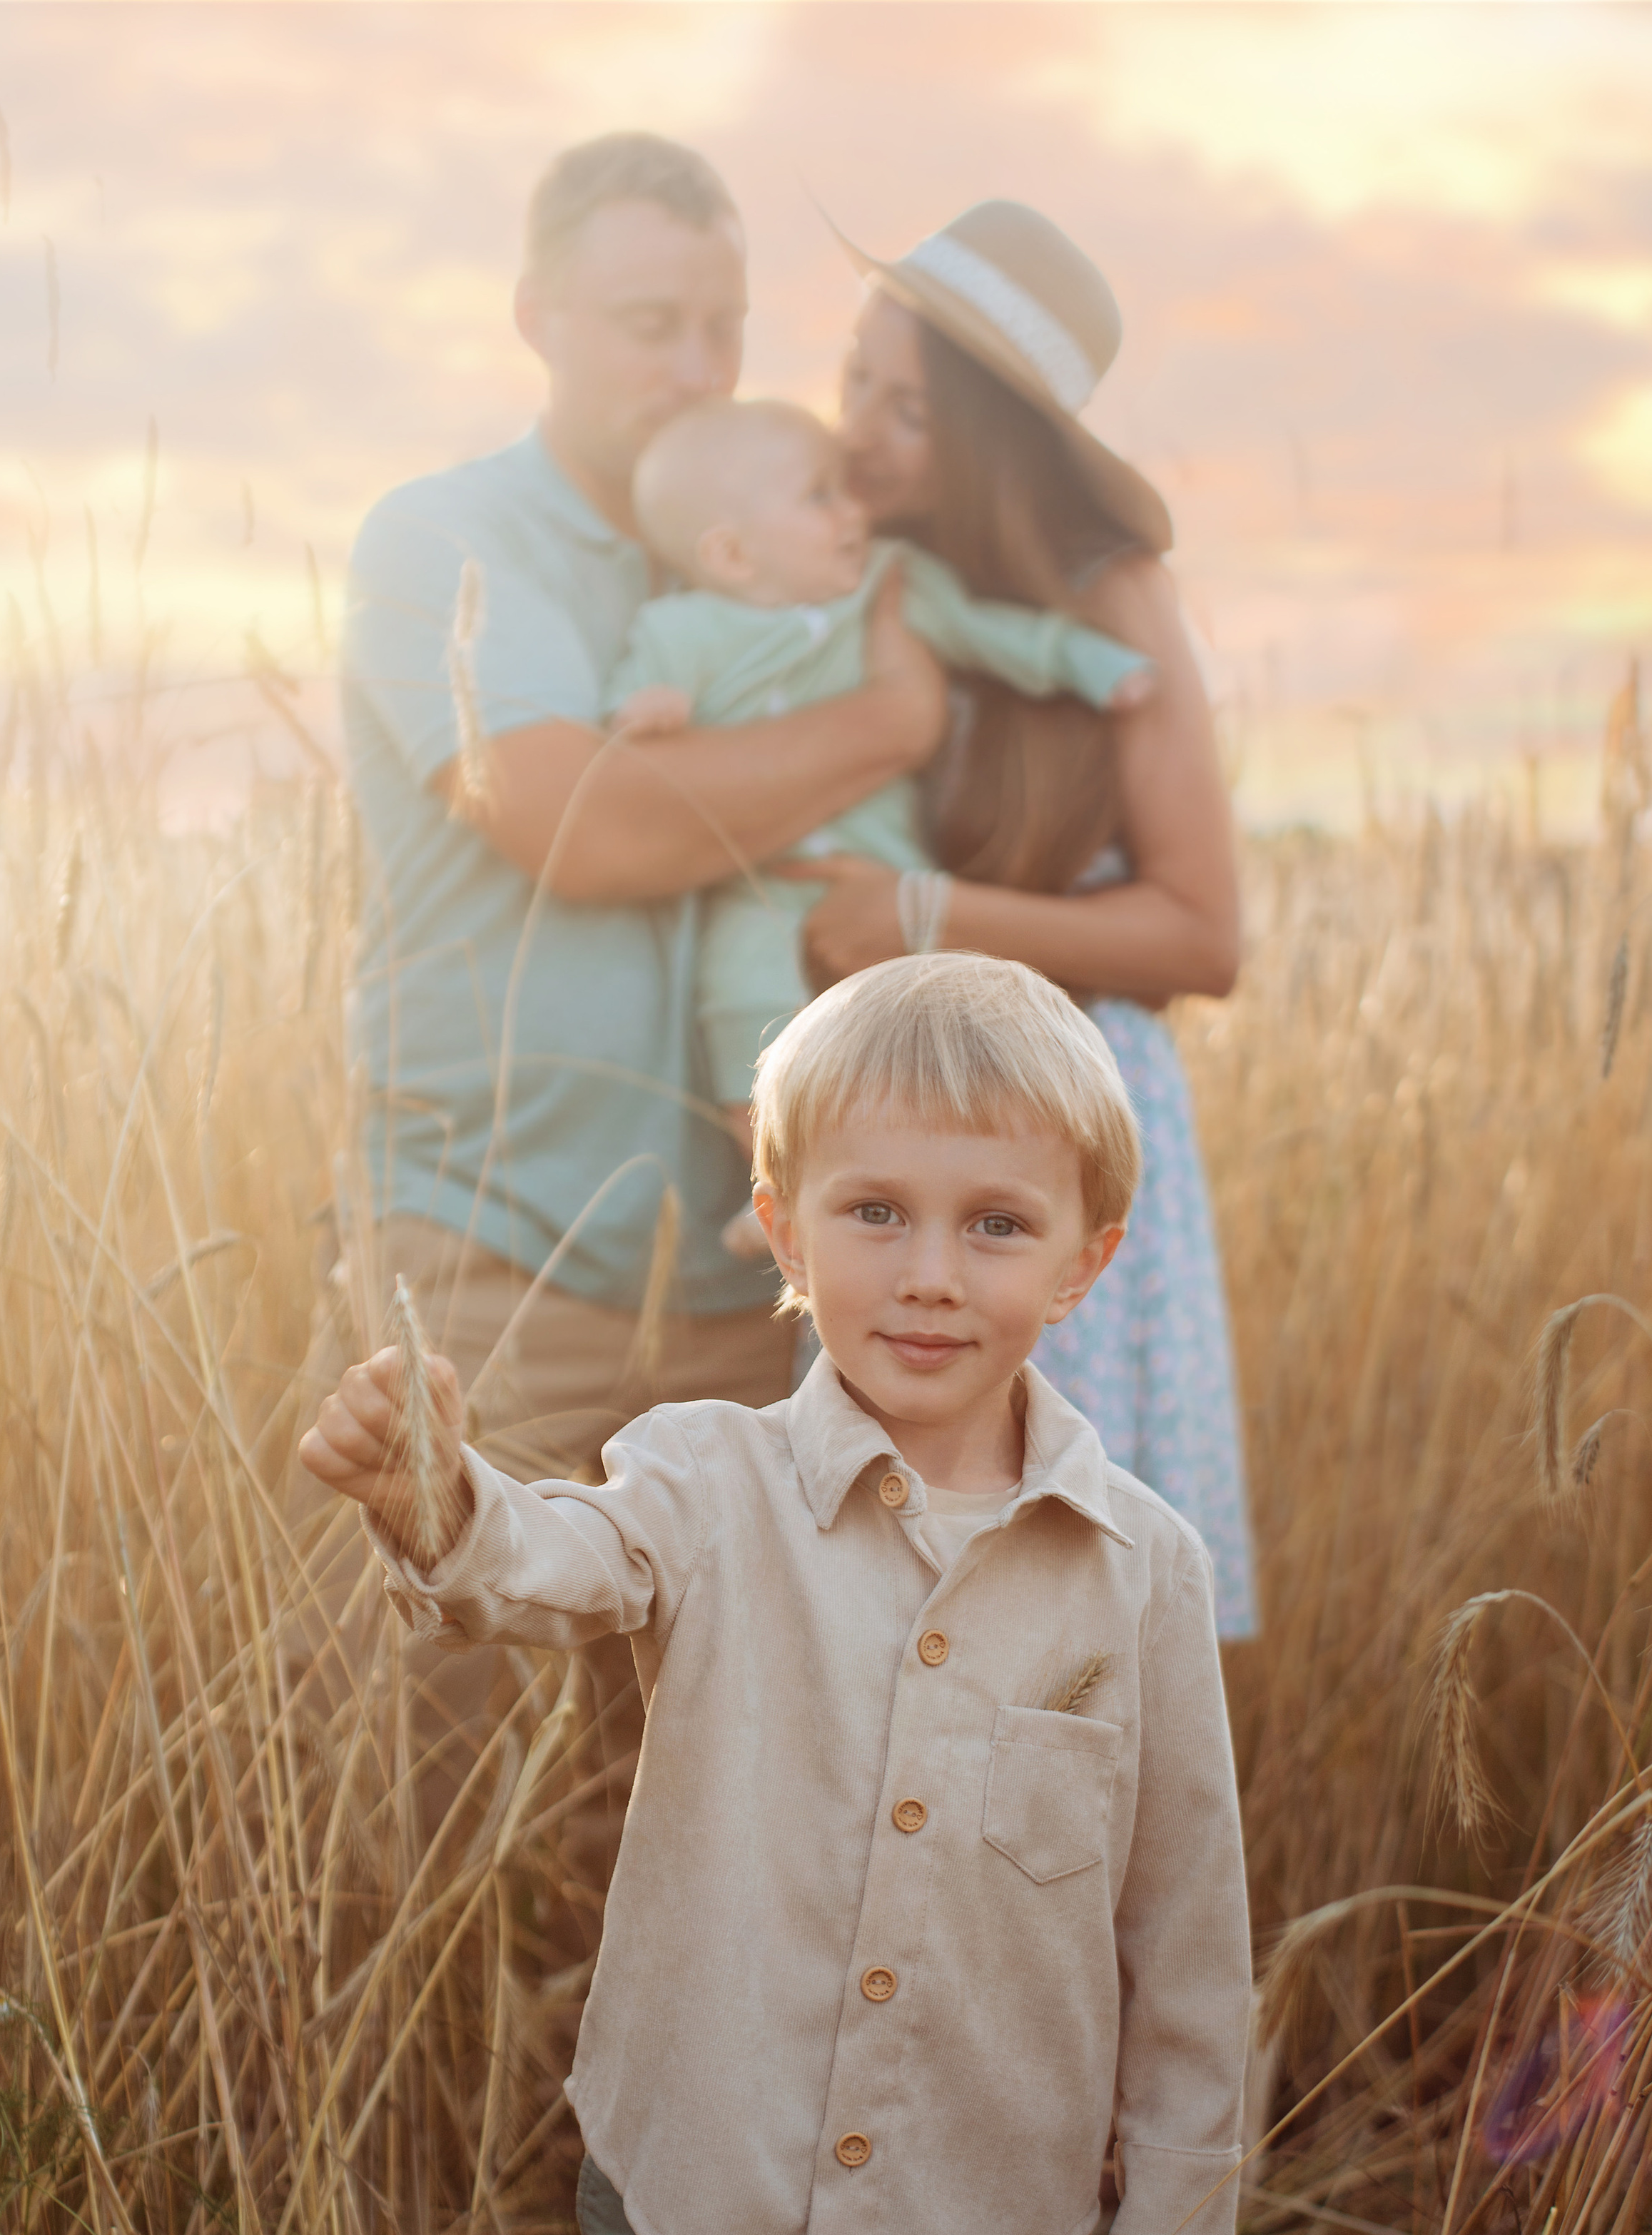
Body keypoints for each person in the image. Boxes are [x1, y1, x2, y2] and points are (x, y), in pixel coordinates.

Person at [298, 952, 1254, 2235]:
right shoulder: (705, 1478)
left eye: (991, 1224)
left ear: (1085, 1258)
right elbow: (556, 1556)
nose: (923, 1271)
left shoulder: (1138, 1572)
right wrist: (437, 1496)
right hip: (692, 2183)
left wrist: (1185, 2173)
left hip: (981, 2217)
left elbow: (1183, 1902)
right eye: (872, 1210)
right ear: (777, 1224)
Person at [280, 133, 948, 1714]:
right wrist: (883, 722)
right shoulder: (445, 542)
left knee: (689, 1811)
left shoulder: (765, 547)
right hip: (497, 1270)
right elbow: (577, 826)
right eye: (651, 320)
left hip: (748, 1304)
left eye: (723, 324)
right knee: (444, 1802)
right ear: (537, 315)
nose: (700, 363)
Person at [815, 200, 1259, 1637]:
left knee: (1069, 1612)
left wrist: (928, 916)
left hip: (1064, 1116)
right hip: (898, 1123)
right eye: (853, 386)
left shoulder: (1107, 595)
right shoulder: (848, 572)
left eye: (912, 414)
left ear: (997, 442)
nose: (861, 433)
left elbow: (1200, 933)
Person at [606, 394, 1151, 1207]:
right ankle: (779, 1190)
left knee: (905, 1037)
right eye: (820, 495)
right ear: (730, 555)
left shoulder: (887, 589)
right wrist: (647, 707)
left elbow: (988, 631)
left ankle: (900, 1192)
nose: (852, 509)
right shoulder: (681, 629)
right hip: (759, 886)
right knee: (741, 1003)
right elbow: (639, 699)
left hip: (882, 868)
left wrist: (1093, 665)